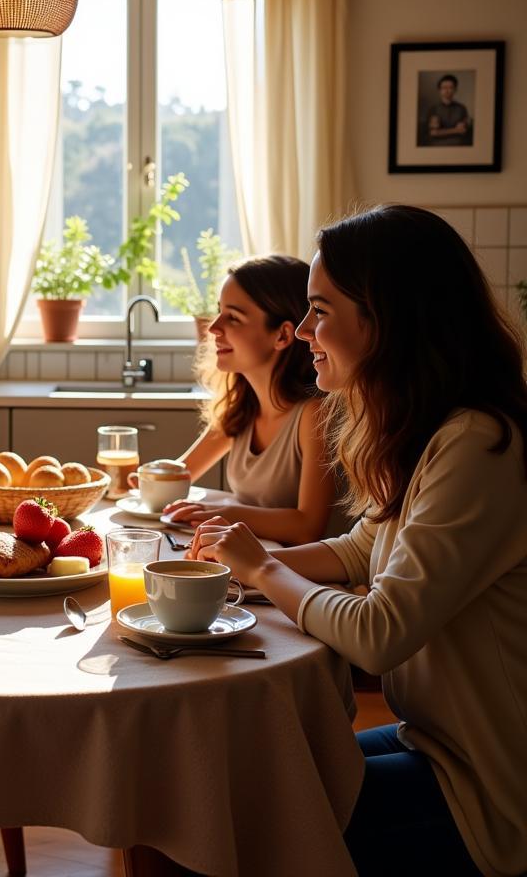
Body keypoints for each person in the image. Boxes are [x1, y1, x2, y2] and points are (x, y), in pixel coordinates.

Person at [189, 205, 527, 876]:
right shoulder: (426, 431)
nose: (305, 331)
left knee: (236, 821)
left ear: (387, 318)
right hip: (432, 741)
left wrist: (261, 573)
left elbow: (379, 633)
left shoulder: (477, 446)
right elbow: (360, 550)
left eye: (321, 311)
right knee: (247, 777)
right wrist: (242, 565)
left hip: (485, 788)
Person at [160, 255, 342, 544]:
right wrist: (135, 479)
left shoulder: (314, 414)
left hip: (307, 581)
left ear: (282, 335)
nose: (213, 327)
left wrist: (225, 514)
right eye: (219, 312)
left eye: (233, 317)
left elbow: (308, 526)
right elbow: (180, 472)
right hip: (257, 565)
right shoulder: (242, 408)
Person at [426, 73, 472, 145]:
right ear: (439, 90)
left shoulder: (461, 108)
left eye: (450, 87)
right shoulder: (434, 109)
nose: (447, 91)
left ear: (455, 90)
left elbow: (463, 130)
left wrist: (443, 131)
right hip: (438, 145)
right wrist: (456, 130)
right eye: (444, 88)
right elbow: (434, 133)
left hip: (458, 145)